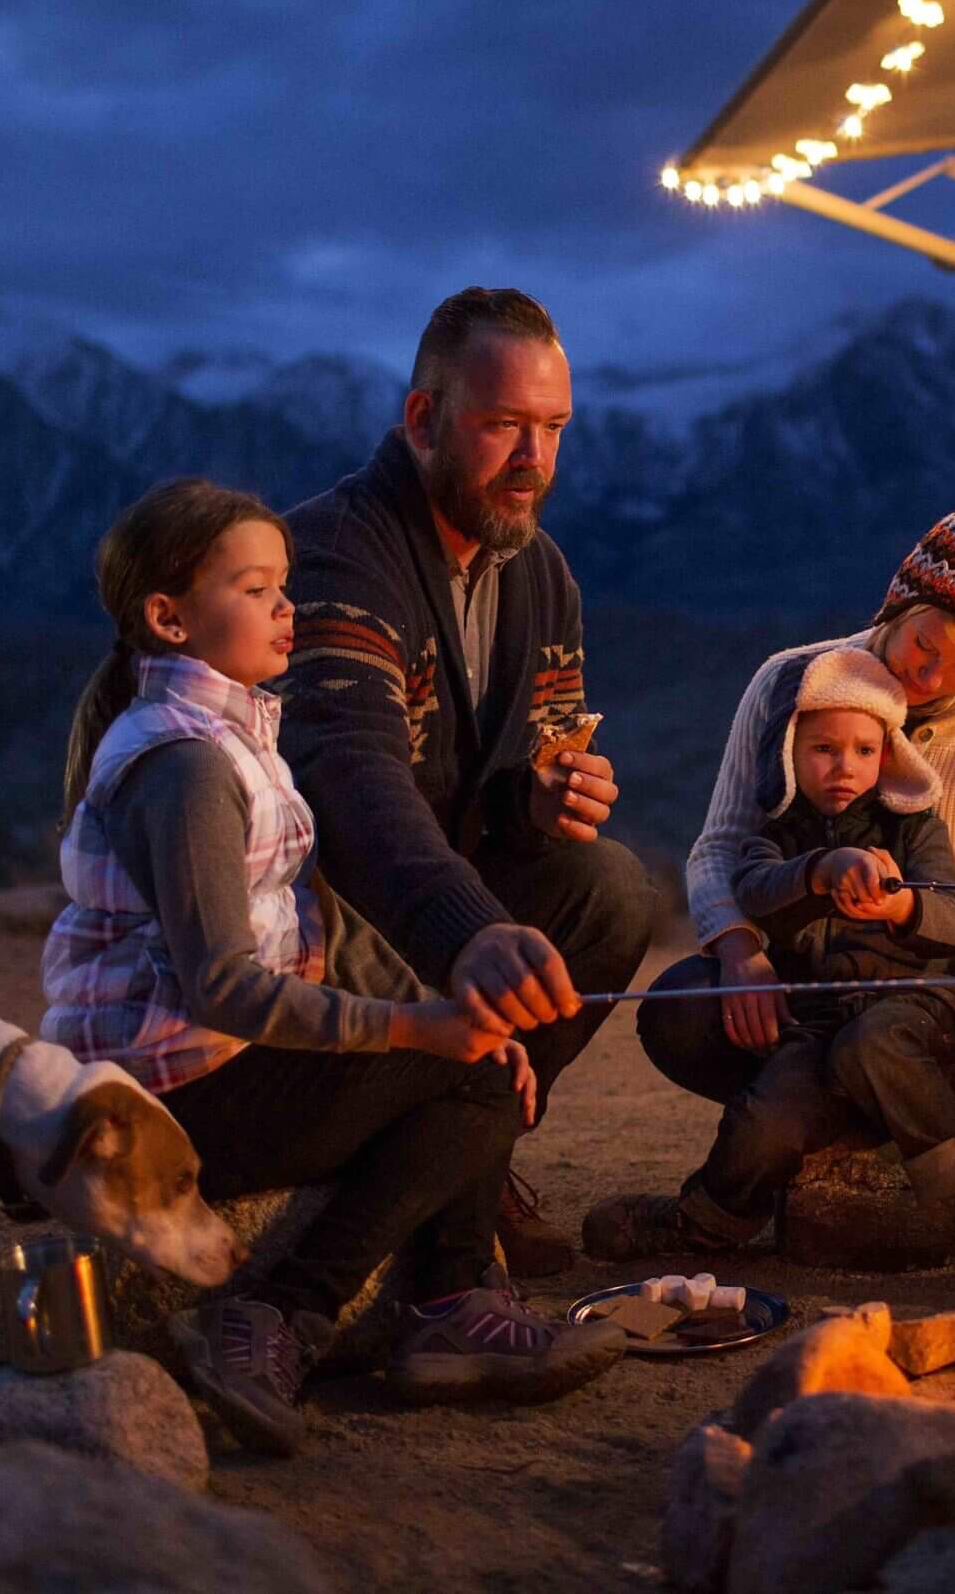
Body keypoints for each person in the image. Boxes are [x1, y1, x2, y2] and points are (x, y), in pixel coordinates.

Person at [42, 478, 624, 1459]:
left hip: (220, 1067)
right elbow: (220, 985)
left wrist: (442, 1009)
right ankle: (283, 1312)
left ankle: (437, 1301)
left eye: (285, 587)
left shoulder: (237, 735)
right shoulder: (182, 766)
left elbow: (310, 918)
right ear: (168, 617)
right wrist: (415, 1031)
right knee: (473, 1062)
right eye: (257, 589)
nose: (287, 610)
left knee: (484, 1045)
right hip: (163, 1098)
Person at [277, 287, 653, 1276]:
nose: (534, 460)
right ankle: (426, 1198)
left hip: (443, 895)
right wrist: (471, 926)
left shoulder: (542, 575)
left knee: (611, 887)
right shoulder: (333, 551)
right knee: (509, 929)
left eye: (552, 429)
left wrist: (538, 804)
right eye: (501, 426)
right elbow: (348, 772)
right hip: (336, 911)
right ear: (422, 420)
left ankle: (469, 1160)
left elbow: (518, 767)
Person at [638, 488, 955, 1187]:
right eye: (924, 644)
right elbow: (721, 846)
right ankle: (838, 1115)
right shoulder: (792, 683)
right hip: (808, 980)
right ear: (899, 598)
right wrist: (740, 950)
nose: (930, 676)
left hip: (946, 988)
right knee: (680, 1014)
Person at [584, 648, 955, 1270]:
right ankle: (709, 1220)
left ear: (888, 756)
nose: (844, 767)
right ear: (788, 751)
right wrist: (816, 871)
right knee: (769, 1117)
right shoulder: (776, 831)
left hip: (915, 1010)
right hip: (814, 1016)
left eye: (864, 751)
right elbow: (752, 888)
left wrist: (900, 909)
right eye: (823, 749)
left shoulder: (913, 828)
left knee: (875, 1044)